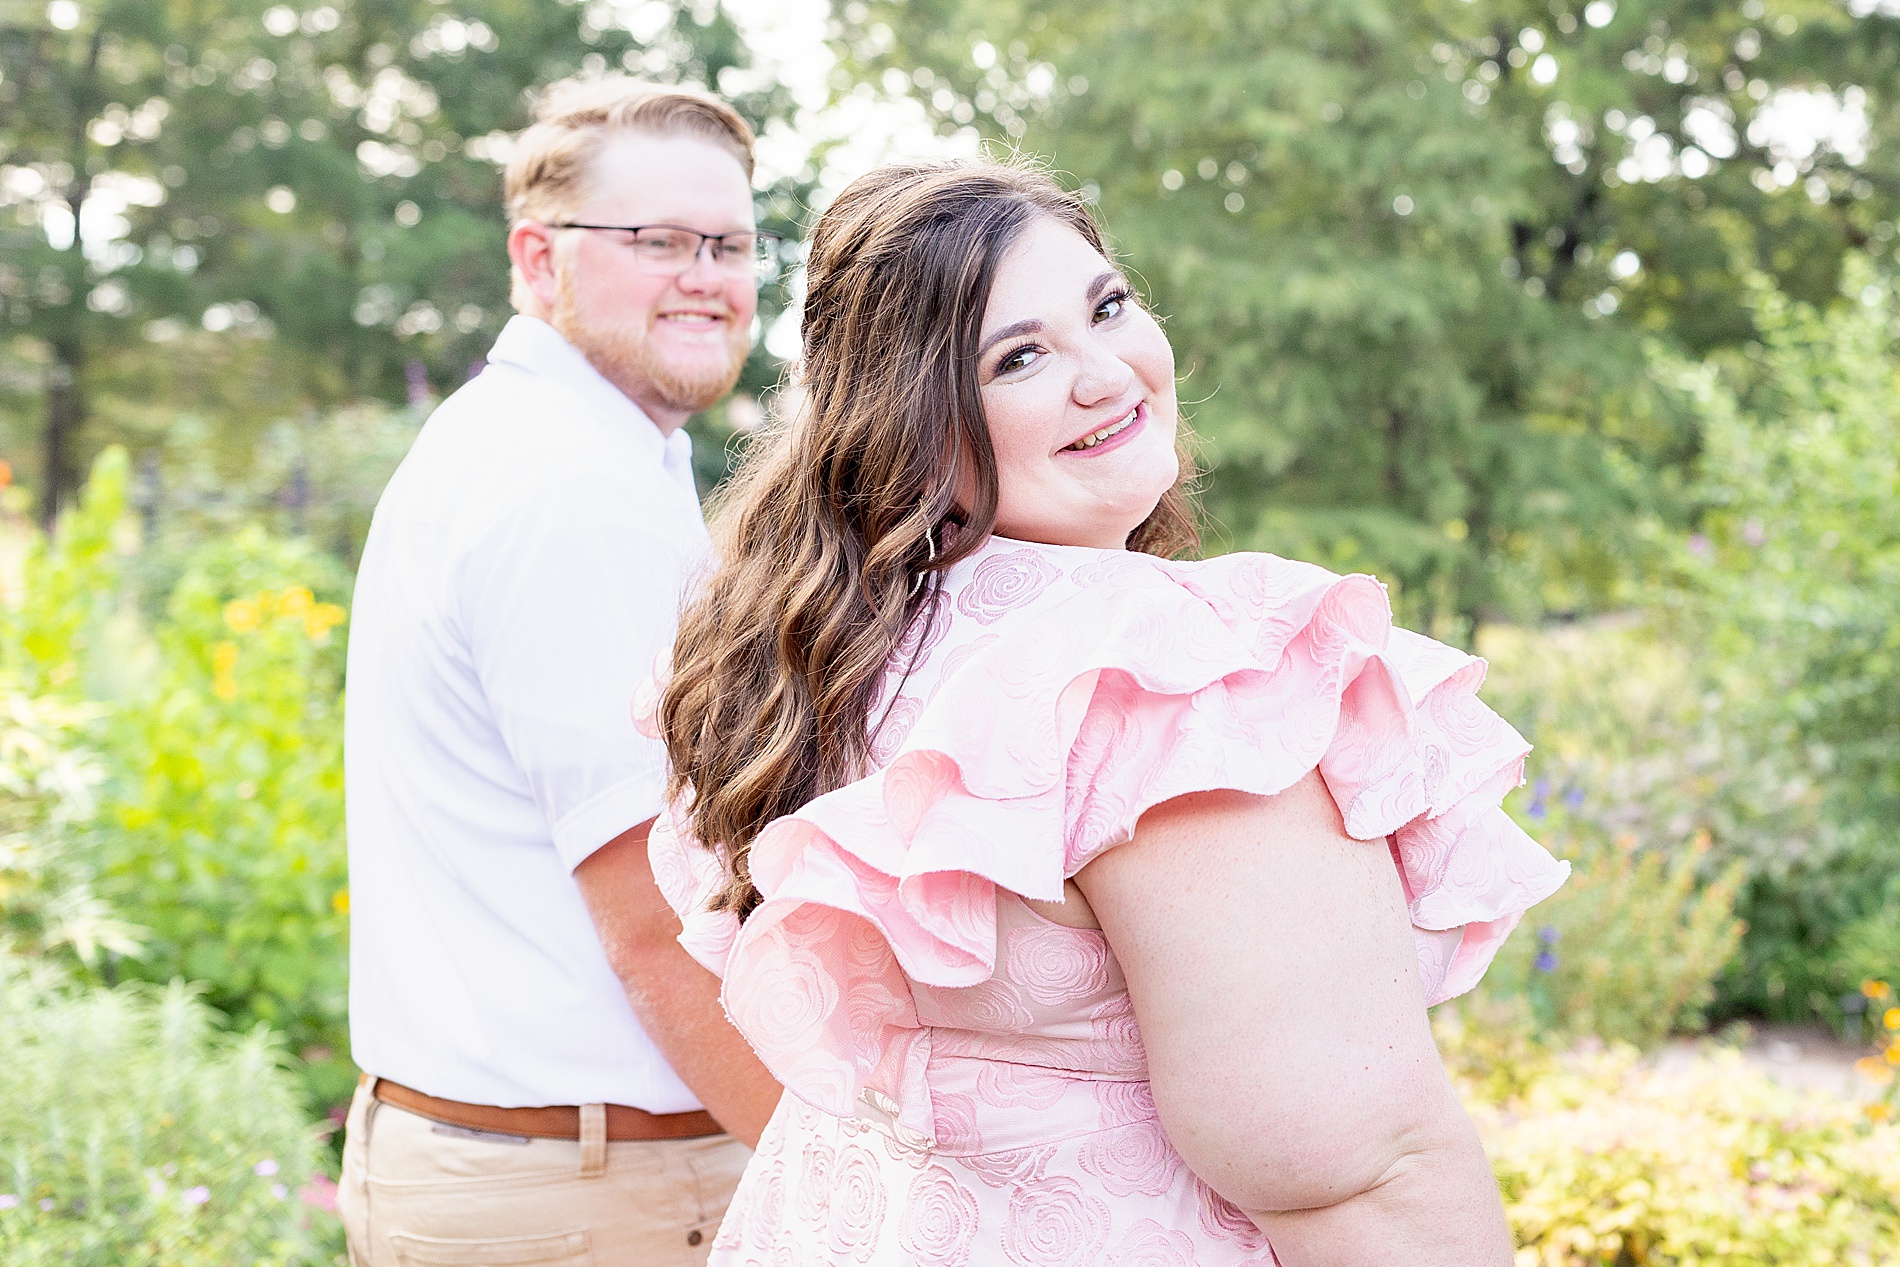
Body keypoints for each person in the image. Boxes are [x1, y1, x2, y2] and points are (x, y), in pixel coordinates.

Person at [642, 158, 1571, 1265]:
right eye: (1020, 356)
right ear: (915, 422)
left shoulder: (832, 652)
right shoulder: (1168, 681)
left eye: (1108, 307)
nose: (1107, 374)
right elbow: (1357, 1173)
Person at [337, 77, 782, 1267]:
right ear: (541, 261)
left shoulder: (582, 450)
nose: (707, 275)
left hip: (559, 1177)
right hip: (594, 1198)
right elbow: (656, 919)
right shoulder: (566, 486)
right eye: (657, 242)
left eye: (731, 243)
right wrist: (842, 1183)